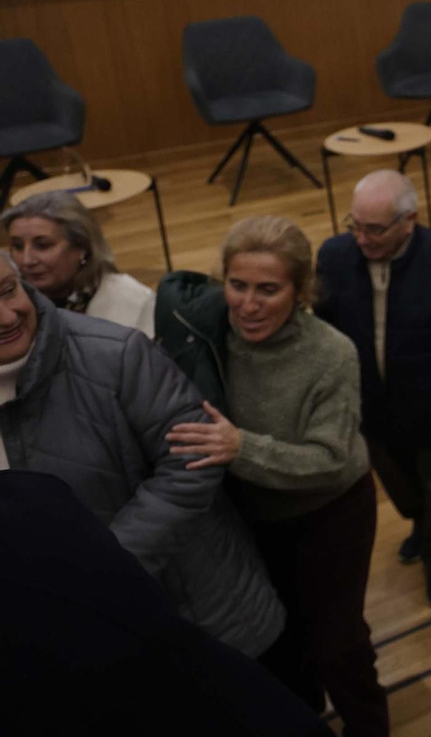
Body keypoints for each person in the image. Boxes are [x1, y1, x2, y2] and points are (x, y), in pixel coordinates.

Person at [155, 216, 387, 737]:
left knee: (338, 642)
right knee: (277, 631)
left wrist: (240, 447)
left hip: (330, 512)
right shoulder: (204, 330)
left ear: (300, 291)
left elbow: (329, 459)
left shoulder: (331, 353)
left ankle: (370, 728)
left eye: (268, 289)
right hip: (254, 513)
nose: (249, 304)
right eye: (238, 286)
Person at [0, 253, 283, 659]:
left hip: (193, 614)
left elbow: (190, 463)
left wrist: (109, 566)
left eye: (9, 290)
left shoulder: (117, 355)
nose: (7, 316)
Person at [0, 469, 332, 737]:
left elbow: (189, 465)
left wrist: (111, 558)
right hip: (158, 636)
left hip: (206, 604)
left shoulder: (32, 498)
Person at [315, 169, 431, 607]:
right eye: (354, 225)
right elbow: (323, 328)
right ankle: (420, 526)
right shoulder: (334, 257)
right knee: (397, 483)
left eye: (374, 229)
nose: (362, 238)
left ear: (409, 220)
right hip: (371, 409)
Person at [3, 190, 155, 336]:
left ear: (82, 246)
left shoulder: (134, 301)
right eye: (17, 246)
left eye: (43, 245)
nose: (26, 260)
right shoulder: (8, 298)